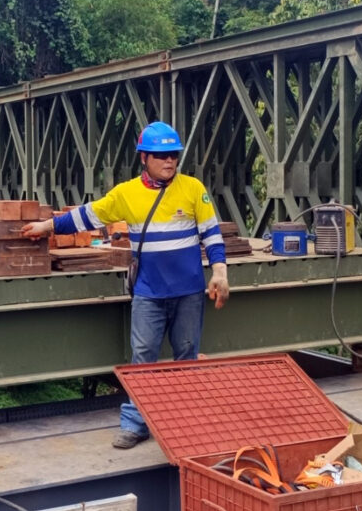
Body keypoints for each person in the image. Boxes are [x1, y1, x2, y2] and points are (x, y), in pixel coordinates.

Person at [23, 121, 229, 449]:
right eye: (161, 156)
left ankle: (183, 424)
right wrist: (47, 226)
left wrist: (220, 272)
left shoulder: (193, 189)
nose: (170, 162)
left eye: (174, 155)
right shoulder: (126, 194)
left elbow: (211, 234)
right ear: (144, 158)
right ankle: (135, 424)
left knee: (186, 356)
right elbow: (88, 215)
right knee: (143, 356)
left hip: (189, 291)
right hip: (149, 291)